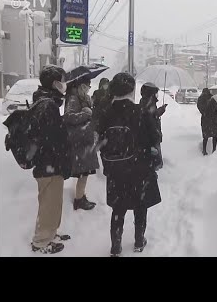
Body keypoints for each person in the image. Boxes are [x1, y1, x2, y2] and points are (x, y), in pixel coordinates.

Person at [98, 73, 161, 257]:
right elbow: (155, 137)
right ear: (131, 90)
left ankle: (115, 247)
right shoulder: (140, 112)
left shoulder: (106, 113)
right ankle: (139, 241)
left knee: (118, 209)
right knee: (140, 206)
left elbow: (100, 139)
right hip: (138, 168)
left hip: (115, 170)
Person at [30, 65, 71, 254]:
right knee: (49, 203)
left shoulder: (47, 102)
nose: (64, 84)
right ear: (54, 83)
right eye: (61, 81)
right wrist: (63, 162)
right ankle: (40, 242)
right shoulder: (47, 105)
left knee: (53, 203)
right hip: (49, 164)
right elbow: (52, 139)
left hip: (50, 163)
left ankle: (50, 232)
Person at [64, 76, 99, 211]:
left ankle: (81, 196)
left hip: (84, 138)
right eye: (85, 86)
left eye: (88, 87)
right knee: (83, 171)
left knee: (85, 171)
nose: (87, 89)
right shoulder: (73, 98)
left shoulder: (83, 97)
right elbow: (68, 116)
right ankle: (79, 199)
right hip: (79, 140)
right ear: (79, 86)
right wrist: (86, 114)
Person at [139, 82, 166, 170]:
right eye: (155, 93)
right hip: (152, 133)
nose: (156, 95)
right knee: (154, 155)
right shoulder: (148, 102)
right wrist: (159, 111)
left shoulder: (147, 101)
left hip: (152, 132)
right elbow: (150, 117)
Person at [197, 88, 217, 155]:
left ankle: (207, 150)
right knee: (212, 135)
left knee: (207, 136)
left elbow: (202, 109)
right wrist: (209, 106)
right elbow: (204, 109)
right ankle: (211, 150)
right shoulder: (209, 99)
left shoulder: (206, 99)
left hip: (207, 120)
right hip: (212, 119)